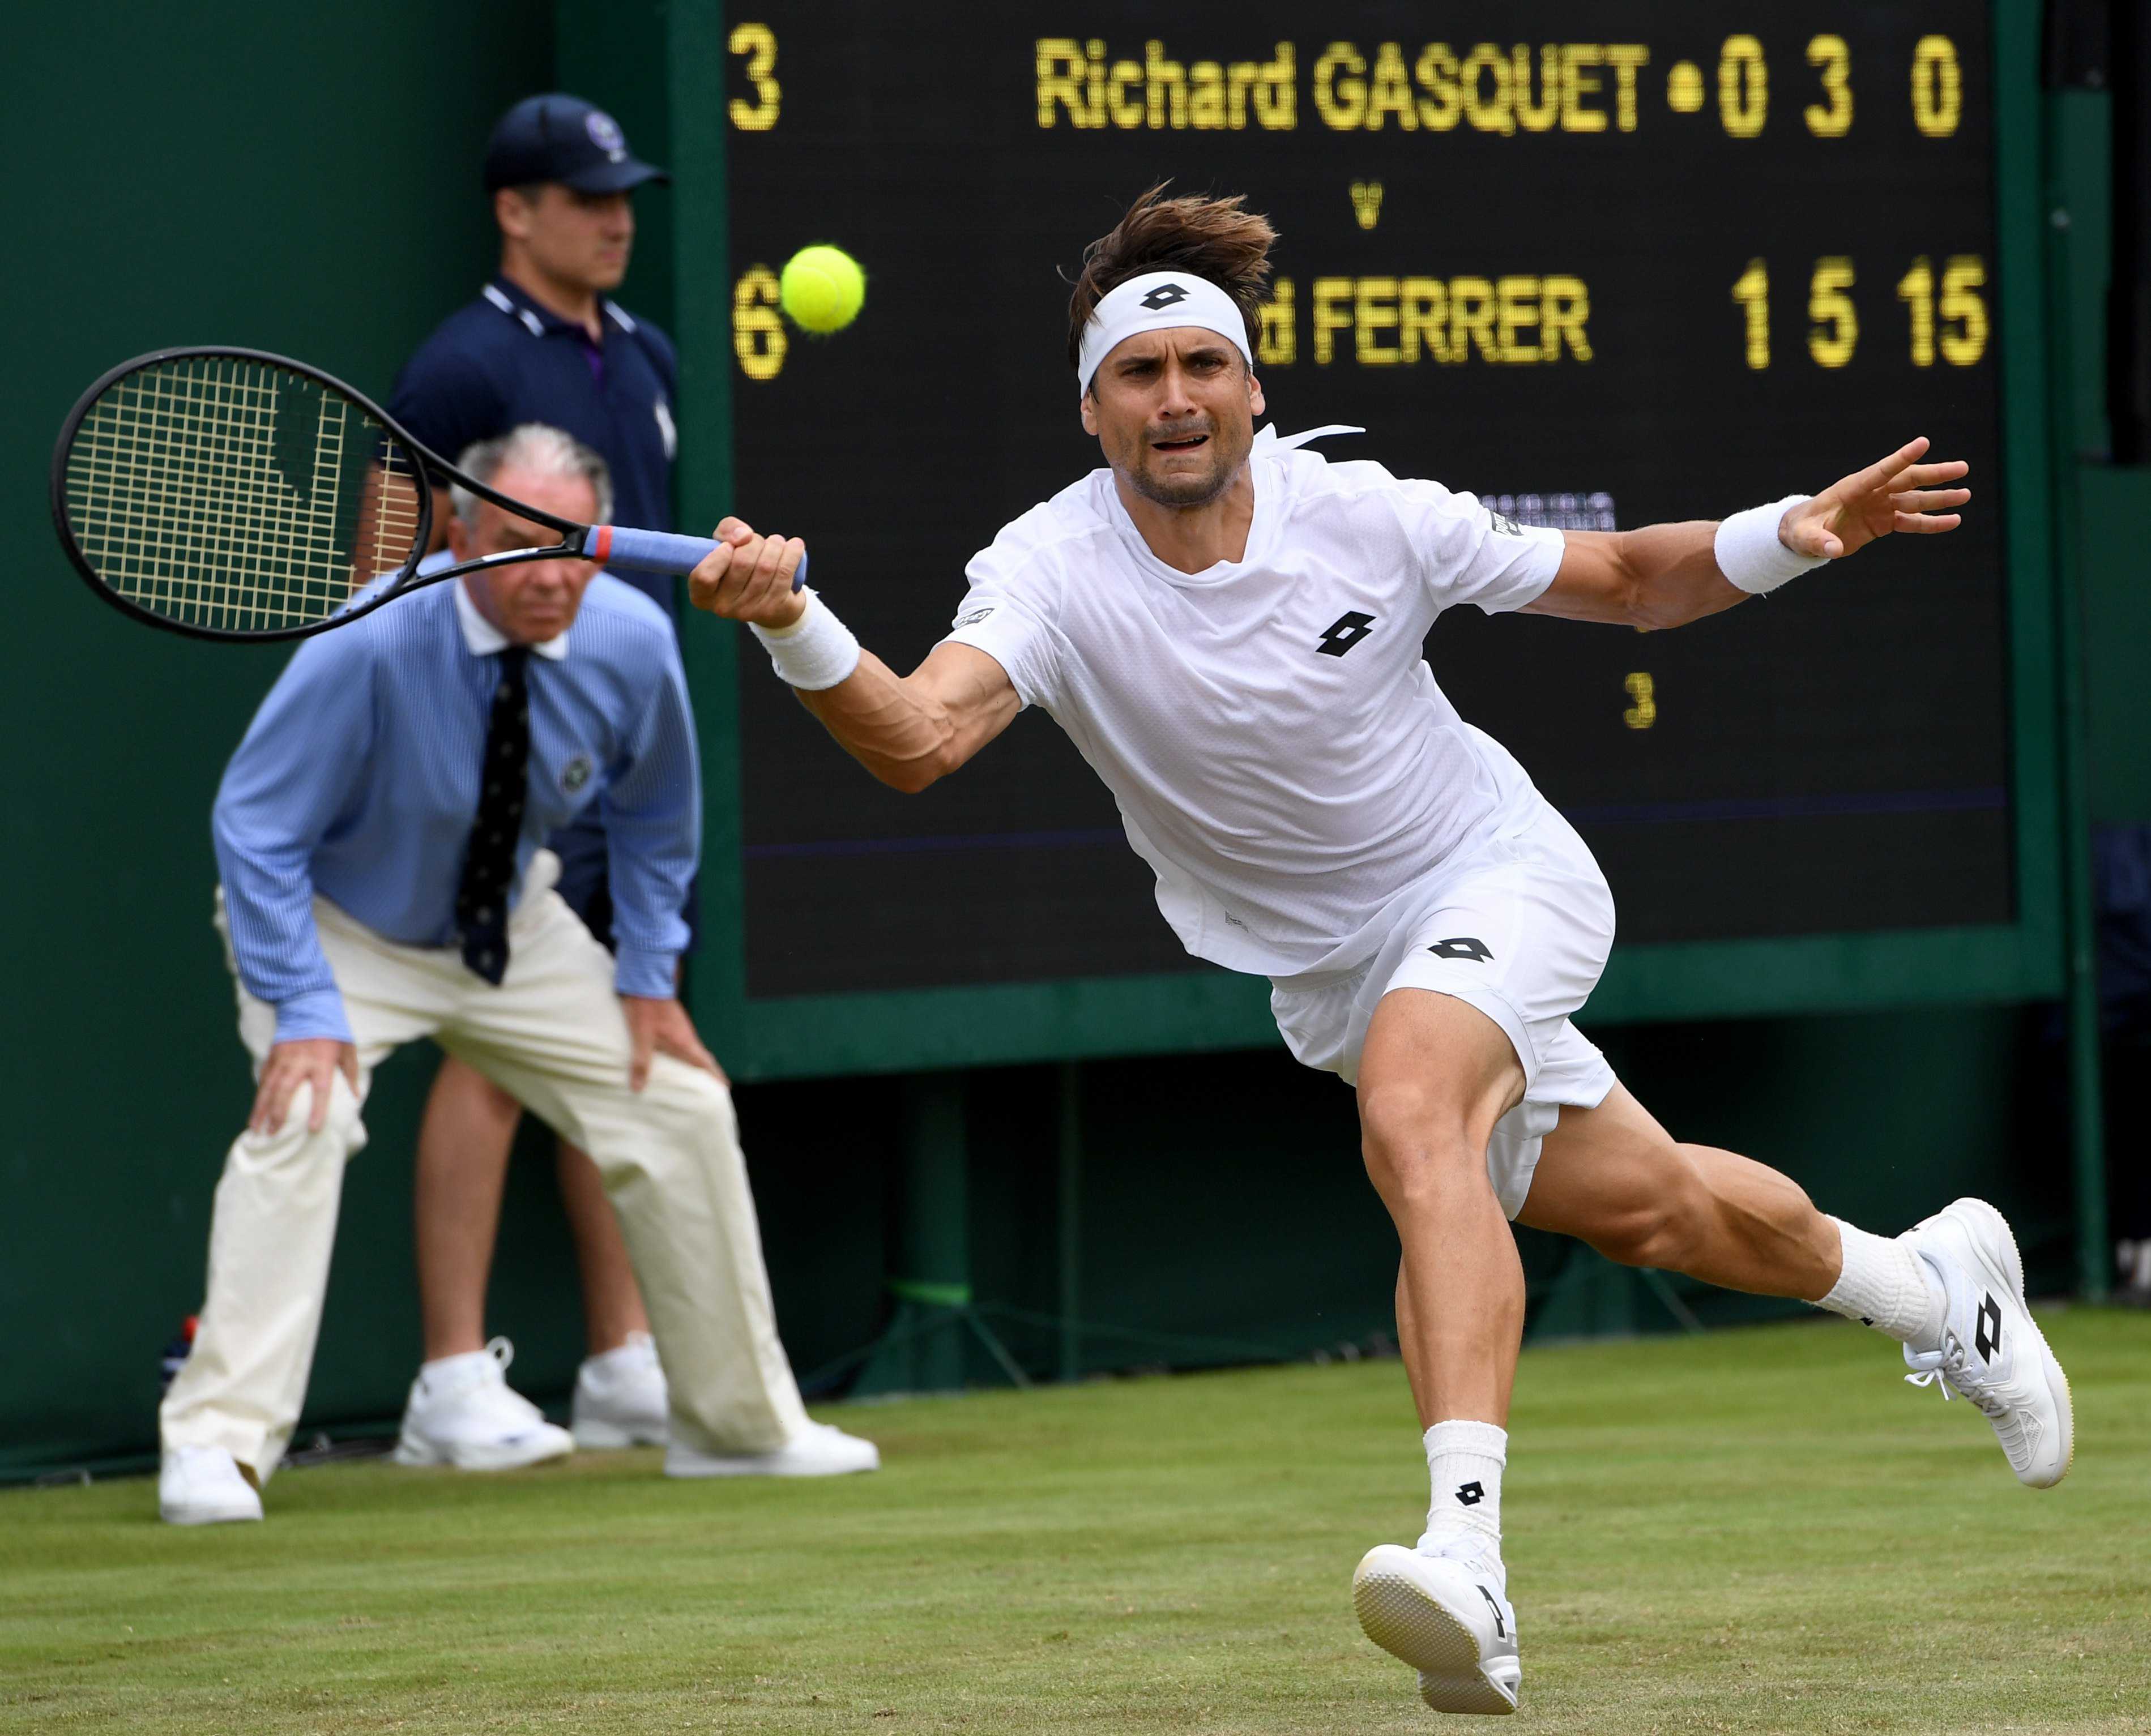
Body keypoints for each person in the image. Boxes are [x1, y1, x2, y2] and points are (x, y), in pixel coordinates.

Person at [685, 188, 2071, 1714]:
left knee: (1415, 1117)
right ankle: (1936, 1290)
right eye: (1137, 375)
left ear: (1250, 388)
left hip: (1497, 877)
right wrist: (793, 623)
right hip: (1336, 973)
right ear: (1091, 410)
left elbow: (1624, 583)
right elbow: (917, 737)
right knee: (1660, 1210)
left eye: (1201, 366)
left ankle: (1467, 1559)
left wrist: (1788, 535)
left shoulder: (1366, 513)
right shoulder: (1045, 570)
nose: (1173, 398)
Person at [156, 425, 877, 1528]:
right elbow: (255, 829)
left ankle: (738, 1429)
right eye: (514, 544)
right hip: (336, 929)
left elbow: (656, 817)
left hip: (511, 927)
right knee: (304, 1114)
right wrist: (302, 1005)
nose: (546, 575)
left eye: (569, 545)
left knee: (680, 1103)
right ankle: (216, 1445)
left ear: (600, 542)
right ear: (460, 536)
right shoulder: (372, 639)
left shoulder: (632, 639)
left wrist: (648, 978)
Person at [385, 92, 689, 1463]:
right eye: (585, 197)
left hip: (616, 748)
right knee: (498, 1053)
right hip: (500, 759)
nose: (616, 219)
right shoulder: (461, 367)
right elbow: (387, 574)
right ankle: (451, 1383)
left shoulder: (647, 353)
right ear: (515, 212)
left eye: (624, 195)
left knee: (623, 1038)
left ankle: (621, 1362)